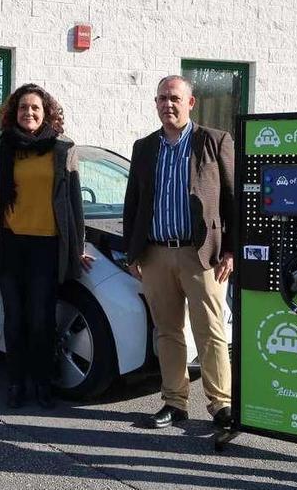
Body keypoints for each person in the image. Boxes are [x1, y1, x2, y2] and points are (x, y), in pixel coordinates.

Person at [122, 75, 234, 430]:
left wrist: (231, 250)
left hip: (201, 255)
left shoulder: (214, 141)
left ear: (190, 103)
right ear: (155, 103)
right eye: (161, 99)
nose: (167, 105)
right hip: (155, 253)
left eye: (174, 98)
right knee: (167, 331)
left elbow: (234, 200)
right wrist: (133, 253)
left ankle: (221, 405)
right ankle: (174, 401)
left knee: (211, 331)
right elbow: (133, 204)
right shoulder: (144, 147)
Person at [0, 83, 93, 409]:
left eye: (35, 109)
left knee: (41, 320)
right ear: (15, 113)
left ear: (46, 114)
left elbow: (73, 203)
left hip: (47, 247)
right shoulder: (2, 148)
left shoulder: (62, 149)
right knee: (14, 319)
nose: (29, 113)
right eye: (23, 108)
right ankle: (17, 384)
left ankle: (42, 384)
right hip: (10, 245)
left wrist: (78, 245)